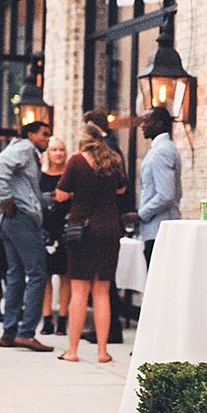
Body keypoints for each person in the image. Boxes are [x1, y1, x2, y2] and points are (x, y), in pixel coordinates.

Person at [54, 123, 126, 363]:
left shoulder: (76, 161)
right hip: (109, 228)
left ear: (82, 140)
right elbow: (122, 188)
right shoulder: (114, 159)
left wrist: (78, 193)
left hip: (83, 228)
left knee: (79, 290)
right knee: (102, 291)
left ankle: (72, 351)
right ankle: (102, 351)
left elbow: (61, 194)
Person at [0, 120, 54, 352]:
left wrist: (49, 198)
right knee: (37, 273)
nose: (48, 139)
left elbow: (28, 191)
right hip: (20, 219)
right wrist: (4, 197)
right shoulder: (25, 148)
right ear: (31, 134)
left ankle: (9, 332)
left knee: (15, 273)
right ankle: (26, 332)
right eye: (44, 134)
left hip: (11, 220)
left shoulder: (27, 153)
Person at [135, 106, 182, 266]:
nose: (142, 125)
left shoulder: (162, 151)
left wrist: (141, 214)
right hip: (155, 230)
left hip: (160, 230)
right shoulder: (159, 149)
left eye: (146, 121)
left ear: (159, 124)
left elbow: (166, 194)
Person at [39, 136, 70, 336]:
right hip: (46, 228)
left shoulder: (69, 175)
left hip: (66, 228)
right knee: (46, 276)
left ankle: (63, 319)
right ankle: (47, 318)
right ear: (48, 153)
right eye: (54, 150)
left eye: (61, 149)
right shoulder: (41, 177)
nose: (58, 153)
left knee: (65, 274)